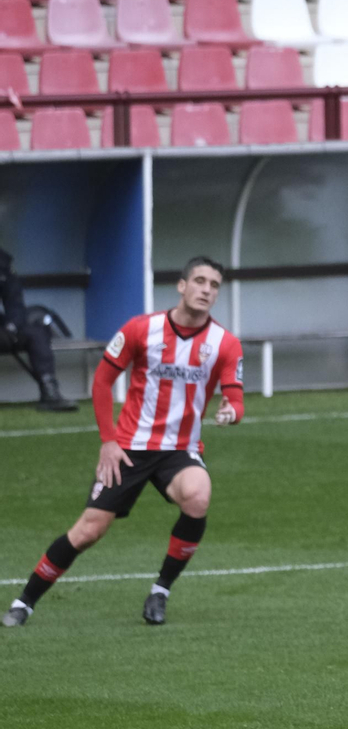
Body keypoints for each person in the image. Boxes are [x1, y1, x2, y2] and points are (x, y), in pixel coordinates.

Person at [3, 257, 244, 628]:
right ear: (181, 286)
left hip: (179, 451)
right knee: (89, 531)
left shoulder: (224, 344)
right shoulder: (139, 329)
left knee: (198, 495)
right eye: (199, 281)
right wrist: (108, 441)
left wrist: (231, 411)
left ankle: (160, 591)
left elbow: (235, 398)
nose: (206, 290)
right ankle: (24, 602)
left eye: (214, 285)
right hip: (129, 446)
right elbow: (101, 382)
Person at [1, 243, 77, 412]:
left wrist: (11, 328)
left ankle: (49, 391)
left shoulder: (3, 263)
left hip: (3, 329)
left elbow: (15, 304)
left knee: (36, 332)